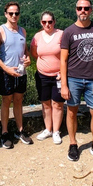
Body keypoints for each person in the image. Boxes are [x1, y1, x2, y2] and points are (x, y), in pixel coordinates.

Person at [60, 0, 93, 163]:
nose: (83, 11)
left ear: (91, 10)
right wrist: (65, 85)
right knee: (72, 112)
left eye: (86, 8)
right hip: (73, 78)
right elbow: (63, 60)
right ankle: (73, 144)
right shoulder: (69, 32)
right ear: (76, 10)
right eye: (80, 8)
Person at [0, 1, 32, 148]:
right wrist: (5, 69)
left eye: (16, 13)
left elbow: (25, 51)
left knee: (19, 100)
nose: (14, 16)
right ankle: (4, 132)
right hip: (6, 73)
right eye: (11, 13)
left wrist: (28, 60)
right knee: (6, 101)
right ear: (6, 14)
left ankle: (20, 130)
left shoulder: (23, 31)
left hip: (21, 72)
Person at [30, 11, 65, 144]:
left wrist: (62, 72)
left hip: (58, 76)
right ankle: (48, 129)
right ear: (41, 23)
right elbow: (34, 53)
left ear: (54, 22)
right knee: (45, 103)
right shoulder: (37, 37)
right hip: (42, 75)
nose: (47, 24)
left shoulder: (61, 34)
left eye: (50, 22)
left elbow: (66, 55)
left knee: (57, 104)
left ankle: (56, 131)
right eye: (44, 22)